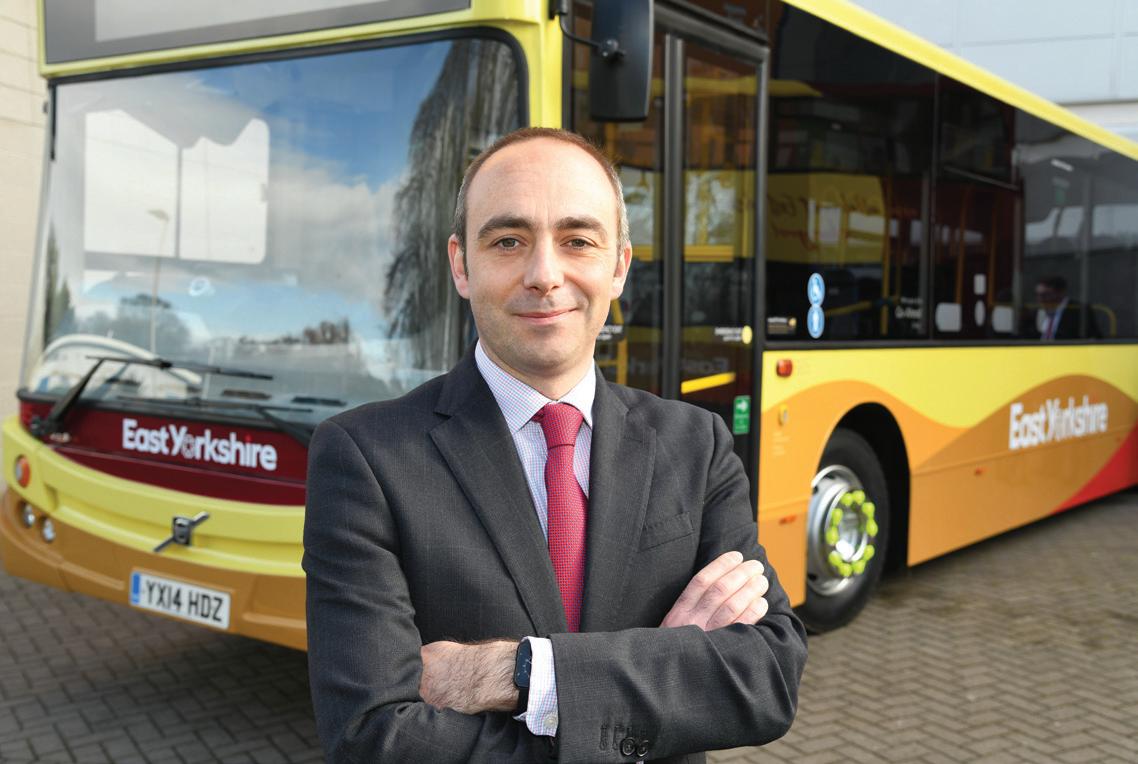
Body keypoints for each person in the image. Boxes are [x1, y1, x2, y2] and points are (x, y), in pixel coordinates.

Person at [303, 127, 808, 763]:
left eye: (578, 241)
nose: (544, 275)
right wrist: (665, 671)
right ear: (461, 265)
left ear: (618, 266)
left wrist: (517, 672)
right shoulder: (364, 458)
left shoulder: (695, 444)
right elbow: (373, 739)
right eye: (508, 241)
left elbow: (767, 677)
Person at [1031, 275, 1101, 340]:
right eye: (1037, 295)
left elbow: (1093, 338)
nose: (1040, 299)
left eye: (1045, 295)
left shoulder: (1079, 311)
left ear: (1060, 293)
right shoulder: (1037, 312)